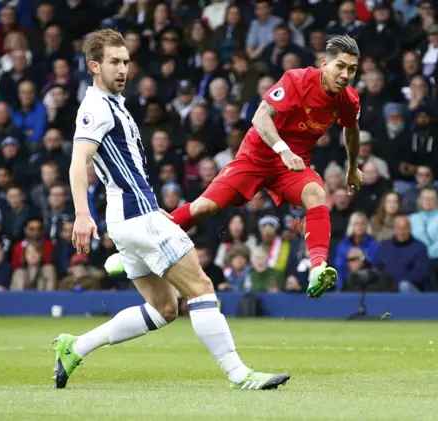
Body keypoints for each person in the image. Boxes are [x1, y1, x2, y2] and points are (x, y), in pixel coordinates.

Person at [52, 29, 289, 391]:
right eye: (114, 62)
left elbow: (124, 171)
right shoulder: (95, 108)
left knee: (163, 308)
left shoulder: (114, 104)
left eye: (126, 62)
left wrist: (154, 209)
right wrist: (83, 214)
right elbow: (77, 161)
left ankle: (76, 347)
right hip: (135, 219)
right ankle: (241, 375)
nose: (122, 69)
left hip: (133, 217)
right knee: (202, 286)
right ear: (94, 66)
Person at [107, 34, 364, 299]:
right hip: (256, 159)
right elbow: (260, 116)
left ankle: (317, 268)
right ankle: (135, 253)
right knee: (203, 207)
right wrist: (283, 150)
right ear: (325, 64)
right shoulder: (297, 80)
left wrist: (352, 167)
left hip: (290, 168)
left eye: (352, 69)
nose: (345, 74)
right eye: (340, 66)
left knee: (317, 193)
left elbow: (351, 131)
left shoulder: (348, 99)